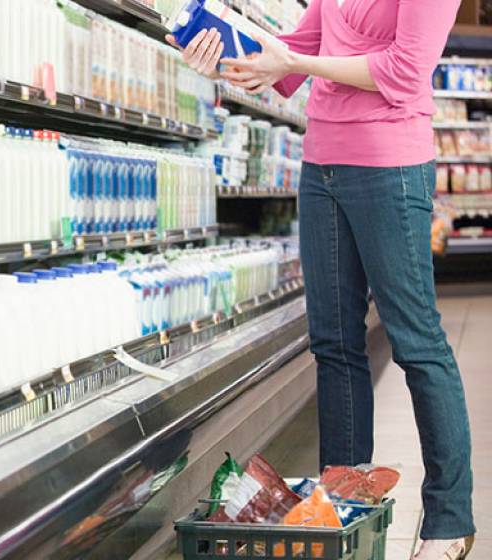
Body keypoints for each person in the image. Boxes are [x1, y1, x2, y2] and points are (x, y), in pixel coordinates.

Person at [168, 0, 476, 558]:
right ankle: (342, 508)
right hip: (321, 167)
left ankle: (450, 521)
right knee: (334, 345)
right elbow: (286, 58)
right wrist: (220, 57)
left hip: (390, 166)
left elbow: (405, 70)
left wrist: (300, 62)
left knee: (418, 344)